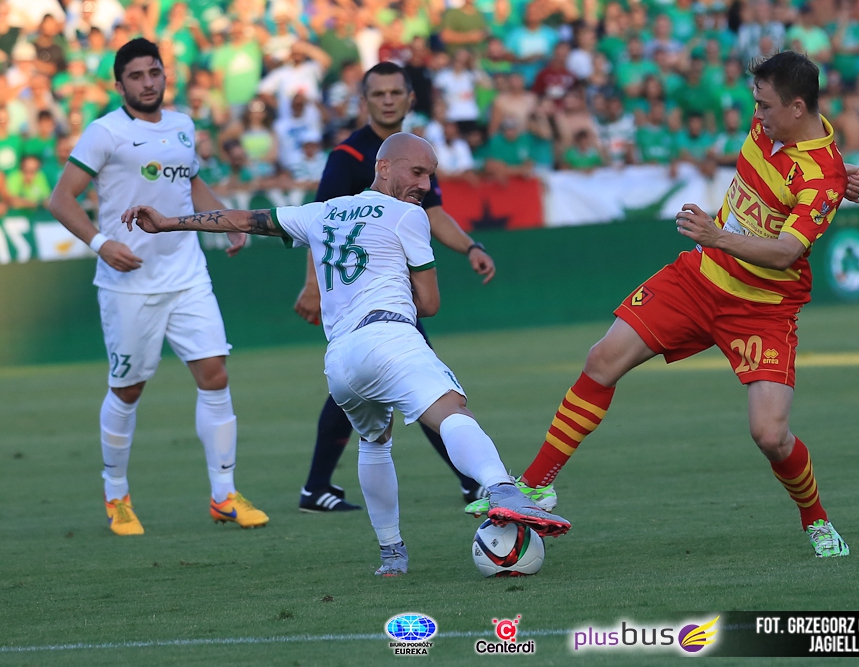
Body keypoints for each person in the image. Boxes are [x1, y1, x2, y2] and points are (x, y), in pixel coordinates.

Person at [466, 51, 859, 559]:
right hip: (698, 279)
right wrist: (844, 172)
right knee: (602, 359)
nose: (757, 114)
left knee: (770, 435)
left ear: (797, 107)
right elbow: (812, 156)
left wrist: (719, 235)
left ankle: (816, 519)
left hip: (762, 308)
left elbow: (787, 251)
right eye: (755, 103)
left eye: (765, 105)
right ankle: (535, 485)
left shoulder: (823, 179)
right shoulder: (784, 135)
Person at [121, 133, 572, 575]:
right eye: (417, 172)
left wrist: (168, 222)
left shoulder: (322, 211)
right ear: (383, 167)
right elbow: (430, 304)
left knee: (375, 443)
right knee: (452, 410)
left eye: (430, 176)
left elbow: (245, 219)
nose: (424, 184)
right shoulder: (408, 215)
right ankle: (501, 488)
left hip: (340, 361)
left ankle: (392, 554)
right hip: (389, 337)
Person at [48, 38, 268, 536]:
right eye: (136, 76)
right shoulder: (105, 132)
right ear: (119, 84)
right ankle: (116, 495)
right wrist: (102, 243)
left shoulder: (183, 125)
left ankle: (224, 494)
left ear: (165, 74)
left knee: (215, 374)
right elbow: (61, 199)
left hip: (187, 273)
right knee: (128, 389)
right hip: (128, 282)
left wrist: (228, 221)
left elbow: (190, 184)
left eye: (154, 72)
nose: (148, 83)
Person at [294, 61, 497, 514]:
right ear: (364, 101)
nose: (387, 100)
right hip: (361, 300)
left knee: (365, 386)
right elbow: (320, 223)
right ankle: (475, 481)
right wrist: (312, 285)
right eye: (378, 93)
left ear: (410, 98)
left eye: (394, 92)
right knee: (421, 382)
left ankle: (315, 487)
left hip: (393, 297)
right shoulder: (348, 157)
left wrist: (469, 247)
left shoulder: (414, 155)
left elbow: (434, 213)